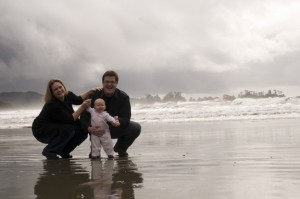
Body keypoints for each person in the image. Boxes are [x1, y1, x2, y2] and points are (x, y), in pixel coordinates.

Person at [81, 70, 141, 157]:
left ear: (116, 83)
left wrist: (119, 120)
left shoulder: (123, 97)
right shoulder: (93, 95)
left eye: (112, 82)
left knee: (136, 127)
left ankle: (120, 148)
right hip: (96, 128)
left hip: (114, 127)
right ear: (103, 82)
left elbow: (126, 118)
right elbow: (83, 118)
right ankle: (94, 149)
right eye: (107, 82)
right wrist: (89, 128)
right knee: (84, 128)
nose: (109, 84)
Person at [32, 78, 96, 159]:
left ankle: (64, 151)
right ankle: (50, 151)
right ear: (52, 93)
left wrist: (90, 91)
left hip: (57, 125)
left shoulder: (68, 95)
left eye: (60, 87)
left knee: (82, 131)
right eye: (55, 89)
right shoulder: (52, 105)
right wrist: (83, 107)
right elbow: (70, 119)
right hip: (42, 129)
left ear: (63, 87)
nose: (59, 90)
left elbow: (78, 99)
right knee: (68, 129)